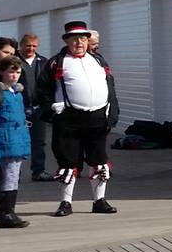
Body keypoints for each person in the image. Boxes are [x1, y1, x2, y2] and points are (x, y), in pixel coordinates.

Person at [45, 20, 118, 217]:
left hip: (97, 118)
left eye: (83, 39)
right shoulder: (56, 62)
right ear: (67, 41)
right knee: (68, 162)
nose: (79, 43)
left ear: (88, 41)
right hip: (69, 119)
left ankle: (99, 201)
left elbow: (110, 87)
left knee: (99, 160)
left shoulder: (98, 60)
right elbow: (42, 90)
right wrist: (52, 110)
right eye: (75, 39)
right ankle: (66, 202)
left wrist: (113, 112)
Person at [0, 56, 29, 227]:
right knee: (6, 178)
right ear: (1, 72)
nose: (15, 75)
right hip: (4, 143)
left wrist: (25, 145)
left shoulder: (17, 93)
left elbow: (21, 121)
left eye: (18, 72)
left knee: (14, 177)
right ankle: (5, 213)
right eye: (11, 71)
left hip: (16, 144)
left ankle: (10, 211)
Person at [18, 35, 51, 182]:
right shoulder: (14, 61)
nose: (31, 48)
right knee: (18, 142)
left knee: (38, 142)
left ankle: (38, 171)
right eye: (28, 45)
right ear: (21, 46)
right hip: (19, 108)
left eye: (34, 46)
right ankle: (15, 173)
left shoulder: (43, 62)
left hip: (38, 108)